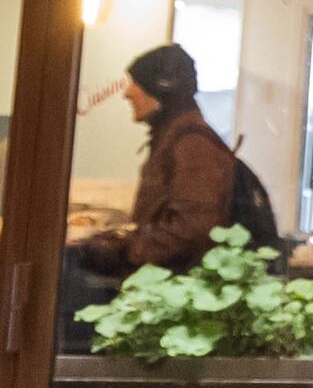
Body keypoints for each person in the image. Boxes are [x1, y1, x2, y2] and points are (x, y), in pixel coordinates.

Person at [60, 44, 268, 328]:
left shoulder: (192, 146)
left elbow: (192, 230)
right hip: (167, 300)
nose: (127, 92)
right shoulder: (177, 140)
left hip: (173, 308)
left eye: (137, 84)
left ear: (161, 91)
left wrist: (124, 250)